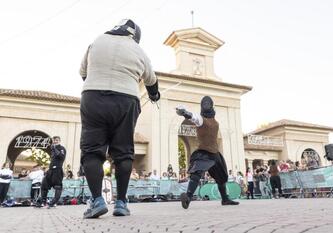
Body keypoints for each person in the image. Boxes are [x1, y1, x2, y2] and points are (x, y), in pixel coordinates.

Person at [79, 19, 160, 218]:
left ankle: (97, 200)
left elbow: (83, 72)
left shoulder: (97, 41)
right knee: (123, 153)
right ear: (135, 35)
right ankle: (121, 203)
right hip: (126, 100)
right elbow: (151, 79)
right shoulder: (138, 50)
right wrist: (154, 95)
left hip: (93, 97)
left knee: (91, 152)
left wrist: (98, 86)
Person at [176, 96, 239, 209]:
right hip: (204, 153)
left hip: (215, 154)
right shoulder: (201, 119)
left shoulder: (215, 121)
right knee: (196, 172)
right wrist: (185, 112)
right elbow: (193, 117)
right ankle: (188, 198)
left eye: (207, 103)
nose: (206, 105)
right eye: (204, 103)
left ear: (211, 105)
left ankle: (225, 199)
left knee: (222, 177)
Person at [36, 136, 66, 208]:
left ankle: (53, 202)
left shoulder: (62, 148)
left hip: (58, 170)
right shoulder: (52, 149)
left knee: (58, 187)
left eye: (57, 140)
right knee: (44, 185)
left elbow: (61, 157)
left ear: (59, 140)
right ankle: (43, 202)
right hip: (50, 170)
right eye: (54, 140)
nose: (55, 141)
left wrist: (55, 149)